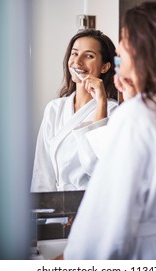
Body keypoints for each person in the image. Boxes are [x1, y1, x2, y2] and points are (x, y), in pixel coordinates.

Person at [63, 2, 156, 259]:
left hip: (145, 251)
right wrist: (132, 96)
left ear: (145, 50)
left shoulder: (136, 116)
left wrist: (75, 258)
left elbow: (109, 212)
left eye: (124, 40)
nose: (118, 49)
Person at [30, 29, 118, 192]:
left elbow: (101, 168)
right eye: (74, 54)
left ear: (105, 67)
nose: (77, 62)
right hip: (55, 211)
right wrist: (48, 214)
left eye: (89, 56)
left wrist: (101, 103)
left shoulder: (114, 112)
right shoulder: (54, 109)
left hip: (92, 207)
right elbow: (42, 171)